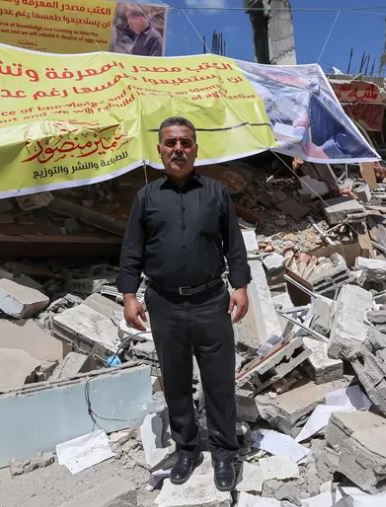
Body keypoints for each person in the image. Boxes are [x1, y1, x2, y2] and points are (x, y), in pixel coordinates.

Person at [118, 117, 250, 491]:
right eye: (171, 143)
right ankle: (187, 449)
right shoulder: (146, 198)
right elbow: (132, 251)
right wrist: (130, 296)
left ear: (196, 149)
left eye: (186, 143)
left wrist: (240, 286)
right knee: (175, 382)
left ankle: (225, 452)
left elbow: (234, 246)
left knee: (220, 381)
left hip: (211, 302)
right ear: (159, 149)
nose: (178, 149)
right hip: (165, 305)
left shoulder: (216, 193)